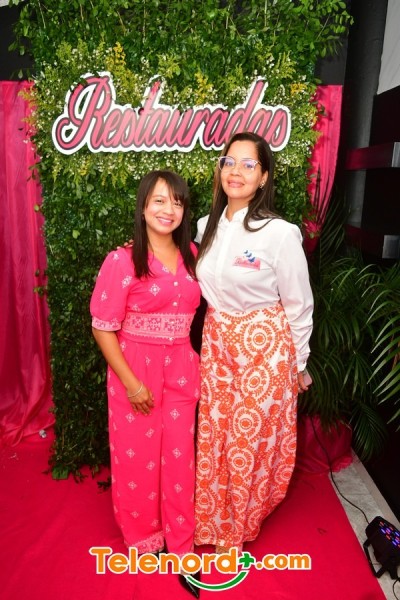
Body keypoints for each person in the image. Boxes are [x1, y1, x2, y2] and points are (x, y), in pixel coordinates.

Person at [193, 131, 314, 554]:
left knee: (246, 439)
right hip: (217, 342)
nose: (236, 171)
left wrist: (299, 363)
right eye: (229, 162)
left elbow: (299, 303)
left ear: (263, 177)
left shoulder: (279, 233)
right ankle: (211, 520)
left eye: (249, 165)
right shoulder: (205, 226)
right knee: (215, 432)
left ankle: (236, 531)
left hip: (264, 346)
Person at [90, 170, 201, 597]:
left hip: (182, 370)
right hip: (135, 369)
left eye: (176, 202)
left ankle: (181, 542)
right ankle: (144, 539)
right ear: (142, 207)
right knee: (137, 459)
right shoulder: (122, 260)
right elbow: (103, 327)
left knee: (179, 458)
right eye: (159, 200)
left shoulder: (193, 254)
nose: (168, 209)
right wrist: (132, 384)